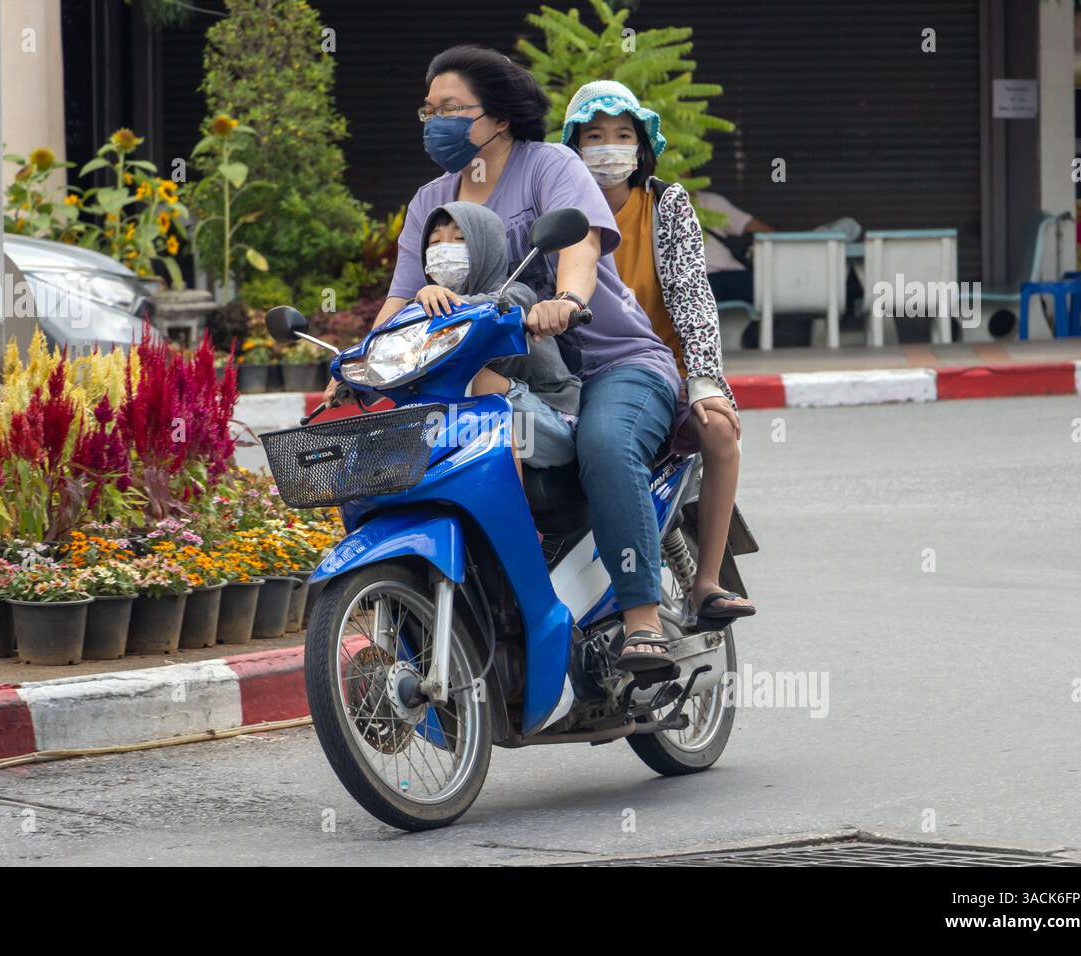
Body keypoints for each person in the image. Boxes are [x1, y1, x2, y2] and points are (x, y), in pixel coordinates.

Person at [323, 45, 682, 672]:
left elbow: (580, 248)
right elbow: (400, 298)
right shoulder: (430, 199)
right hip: (500, 373)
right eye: (427, 110)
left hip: (609, 362)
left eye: (451, 108)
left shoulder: (552, 167)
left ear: (500, 115)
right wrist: (360, 364)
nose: (435, 121)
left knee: (604, 444)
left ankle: (641, 618)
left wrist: (565, 300)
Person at [562, 79, 756, 624]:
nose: (608, 146)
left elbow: (694, 296)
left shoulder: (664, 204)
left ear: (642, 146)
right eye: (594, 135)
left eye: (622, 134)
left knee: (720, 430)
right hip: (574, 373)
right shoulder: (557, 209)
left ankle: (708, 582)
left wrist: (703, 379)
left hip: (660, 371)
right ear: (573, 147)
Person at [414, 200, 580, 477]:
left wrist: (422, 300)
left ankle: (516, 518)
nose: (444, 249)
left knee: (475, 382)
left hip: (552, 422)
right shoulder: (427, 315)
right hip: (488, 419)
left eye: (459, 238)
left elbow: (491, 306)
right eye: (434, 243)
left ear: (486, 246)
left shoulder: (514, 295)